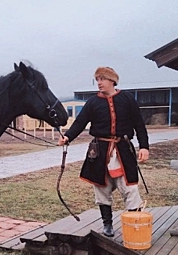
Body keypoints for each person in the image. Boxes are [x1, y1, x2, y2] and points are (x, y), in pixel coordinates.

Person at [58, 67, 149, 237]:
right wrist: (68, 137)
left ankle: (135, 224)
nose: (99, 82)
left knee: (130, 188)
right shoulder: (93, 102)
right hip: (99, 151)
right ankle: (107, 224)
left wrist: (144, 146)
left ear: (112, 81)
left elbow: (139, 125)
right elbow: (80, 122)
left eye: (102, 79)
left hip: (123, 150)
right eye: (97, 79)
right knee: (102, 188)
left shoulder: (127, 99)